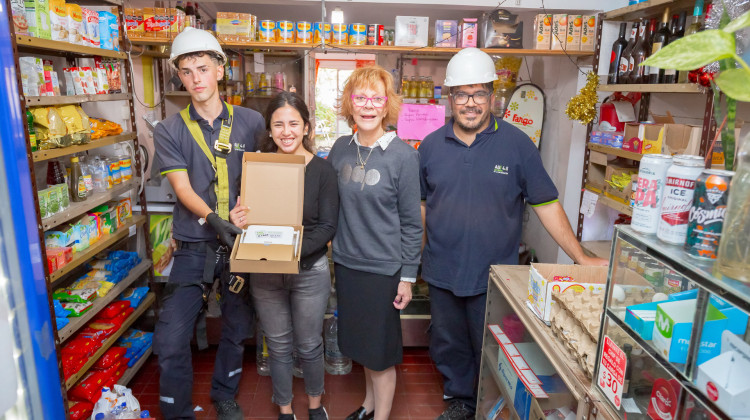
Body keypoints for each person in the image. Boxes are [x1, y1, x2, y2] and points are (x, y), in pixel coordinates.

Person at [418, 48, 609, 420]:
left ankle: (490, 405)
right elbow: (423, 208)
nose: (470, 103)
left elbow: (546, 203)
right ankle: (461, 402)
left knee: (491, 345)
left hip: (495, 275)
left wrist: (580, 257)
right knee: (448, 344)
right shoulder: (430, 147)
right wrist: (418, 259)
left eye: (478, 94)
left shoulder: (517, 144)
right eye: (462, 94)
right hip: (442, 271)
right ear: (450, 98)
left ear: (492, 97)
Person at [152, 27, 265, 420]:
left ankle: (225, 394)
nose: (195, 78)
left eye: (202, 67)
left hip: (240, 244)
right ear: (179, 77)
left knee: (237, 326)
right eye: (186, 71)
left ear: (220, 69)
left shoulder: (251, 122)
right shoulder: (168, 129)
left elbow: (269, 176)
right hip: (194, 244)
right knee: (170, 338)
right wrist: (216, 221)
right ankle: (177, 411)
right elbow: (181, 187)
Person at [230, 92, 338, 420]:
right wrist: (238, 219)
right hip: (266, 272)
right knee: (277, 344)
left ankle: (316, 406)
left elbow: (326, 227)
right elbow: (246, 215)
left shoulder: (322, 171)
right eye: (279, 124)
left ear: (306, 127)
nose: (286, 131)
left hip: (309, 271)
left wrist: (288, 251)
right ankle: (286, 409)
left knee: (309, 345)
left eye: (294, 123)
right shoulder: (258, 167)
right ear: (270, 129)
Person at [327, 65, 422, 420]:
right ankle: (367, 406)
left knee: (380, 354)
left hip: (384, 271)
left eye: (376, 99)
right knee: (362, 347)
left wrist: (408, 277)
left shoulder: (404, 156)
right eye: (360, 98)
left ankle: (380, 417)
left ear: (387, 106)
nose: (368, 106)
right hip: (347, 265)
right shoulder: (339, 149)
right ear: (350, 104)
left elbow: (413, 223)